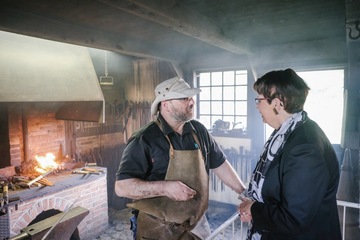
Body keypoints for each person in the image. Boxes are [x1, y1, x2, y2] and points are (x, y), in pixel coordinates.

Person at [115, 76, 246, 240]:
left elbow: (220, 164)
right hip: (157, 229)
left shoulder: (199, 131)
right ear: (166, 104)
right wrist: (165, 188)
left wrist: (244, 193)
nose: (191, 102)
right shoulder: (144, 139)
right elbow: (122, 187)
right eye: (184, 98)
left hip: (195, 226)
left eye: (191, 98)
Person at [239, 68, 341, 240]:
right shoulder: (287, 132)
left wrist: (254, 209)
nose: (256, 105)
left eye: (259, 100)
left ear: (278, 104)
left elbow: (295, 219)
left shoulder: (304, 148)